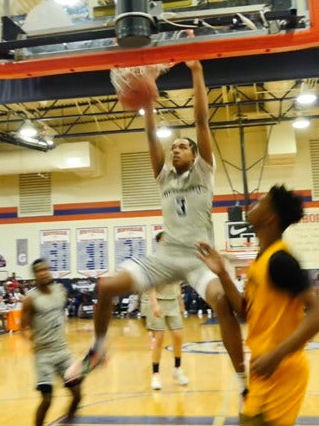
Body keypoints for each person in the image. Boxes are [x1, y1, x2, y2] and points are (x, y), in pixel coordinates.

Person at [66, 60, 247, 395]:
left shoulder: (204, 173)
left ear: (194, 156)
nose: (175, 149)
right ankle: (99, 348)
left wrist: (196, 71)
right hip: (165, 256)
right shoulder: (164, 177)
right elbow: (151, 133)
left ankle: (243, 379)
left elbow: (202, 121)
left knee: (223, 304)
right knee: (106, 286)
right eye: (173, 146)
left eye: (182, 146)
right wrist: (147, 96)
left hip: (199, 258)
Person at [199, 185, 319, 425]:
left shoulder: (282, 261)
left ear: (270, 218)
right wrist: (223, 274)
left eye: (259, 202)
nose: (251, 206)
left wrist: (277, 355)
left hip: (283, 370)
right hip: (263, 369)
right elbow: (245, 312)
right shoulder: (261, 260)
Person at [22, 259, 82, 426]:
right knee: (47, 399)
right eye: (40, 271)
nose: (44, 273)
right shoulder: (30, 299)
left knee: (77, 393)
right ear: (35, 275)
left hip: (63, 351)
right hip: (44, 354)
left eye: (46, 269)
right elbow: (23, 328)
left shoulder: (60, 290)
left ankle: (67, 422)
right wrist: (31, 339)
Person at [142, 232, 188, 390]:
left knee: (178, 336)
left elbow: (178, 285)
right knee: (159, 339)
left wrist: (181, 303)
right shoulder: (154, 261)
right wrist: (154, 304)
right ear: (159, 243)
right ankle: (155, 374)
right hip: (158, 302)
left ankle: (177, 369)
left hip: (173, 302)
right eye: (164, 241)